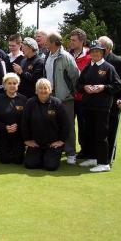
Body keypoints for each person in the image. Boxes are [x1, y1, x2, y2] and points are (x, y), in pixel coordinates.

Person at [76, 41, 121, 172]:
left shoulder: (108, 67)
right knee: (89, 132)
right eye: (93, 51)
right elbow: (78, 85)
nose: (95, 53)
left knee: (101, 134)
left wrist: (103, 87)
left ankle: (104, 162)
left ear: (102, 53)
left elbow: (117, 85)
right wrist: (85, 87)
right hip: (88, 106)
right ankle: (92, 158)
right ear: (90, 53)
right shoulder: (87, 67)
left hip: (102, 107)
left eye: (98, 51)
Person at [44, 32, 79, 165]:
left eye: (47, 41)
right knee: (52, 124)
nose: (46, 44)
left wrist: (69, 92)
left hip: (65, 98)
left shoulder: (65, 57)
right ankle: (55, 150)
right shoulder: (48, 55)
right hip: (50, 97)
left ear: (53, 43)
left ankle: (71, 153)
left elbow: (75, 76)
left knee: (68, 124)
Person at [22, 78, 70, 171]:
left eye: (45, 88)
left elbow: (65, 124)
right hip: (36, 143)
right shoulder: (30, 103)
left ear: (50, 90)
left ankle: (48, 156)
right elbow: (24, 123)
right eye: (40, 88)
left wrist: (61, 141)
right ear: (36, 90)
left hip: (52, 144)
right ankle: (41, 156)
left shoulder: (57, 103)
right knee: (30, 165)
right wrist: (27, 140)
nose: (43, 90)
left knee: (50, 166)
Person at [98, 36, 121, 162]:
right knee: (101, 130)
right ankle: (98, 155)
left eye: (99, 46)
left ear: (106, 48)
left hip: (114, 102)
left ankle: (108, 158)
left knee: (111, 130)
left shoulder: (117, 61)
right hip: (100, 102)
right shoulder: (97, 60)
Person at [0, 73, 27, 164]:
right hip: (3, 134)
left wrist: (17, 126)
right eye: (9, 83)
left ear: (18, 85)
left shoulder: (23, 99)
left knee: (18, 161)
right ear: (4, 85)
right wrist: (4, 127)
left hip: (18, 135)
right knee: (4, 160)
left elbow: (26, 119)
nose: (12, 85)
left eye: (14, 83)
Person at [69, 28, 91, 158]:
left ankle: (84, 150)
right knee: (67, 124)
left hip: (83, 98)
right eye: (70, 40)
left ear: (82, 41)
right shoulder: (66, 54)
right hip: (69, 97)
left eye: (74, 40)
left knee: (83, 125)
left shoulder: (89, 55)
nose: (71, 42)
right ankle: (68, 148)